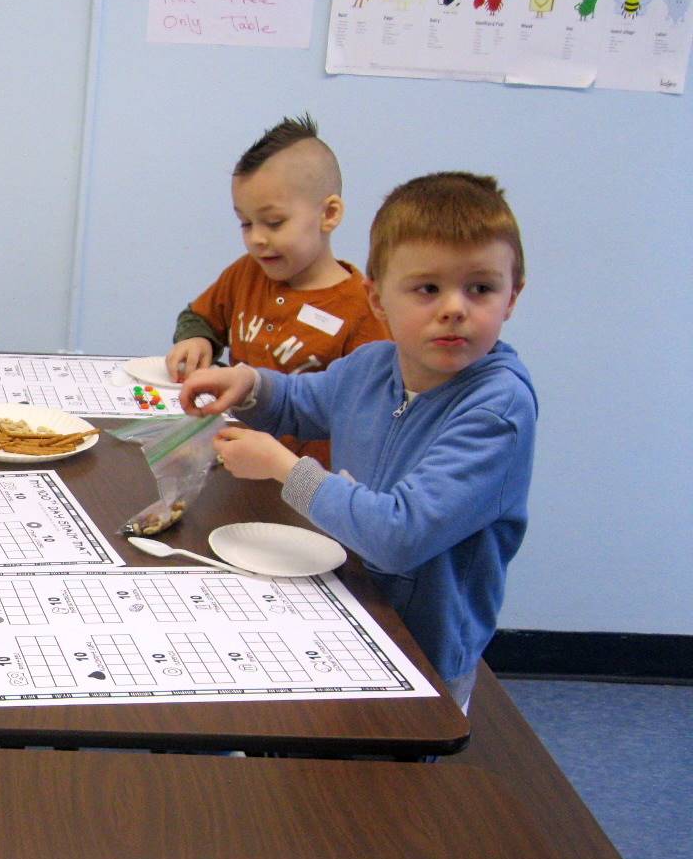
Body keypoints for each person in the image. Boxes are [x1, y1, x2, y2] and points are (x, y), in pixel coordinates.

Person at [179, 171, 536, 710]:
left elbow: (400, 535)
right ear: (376, 299)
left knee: (397, 786)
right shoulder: (374, 365)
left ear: (511, 298)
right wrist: (250, 383)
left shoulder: (497, 409)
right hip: (348, 606)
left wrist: (284, 468)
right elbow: (304, 400)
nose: (454, 308)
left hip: (426, 653)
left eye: (480, 288)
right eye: (427, 289)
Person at [163, 114, 387, 466]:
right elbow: (200, 317)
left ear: (328, 214)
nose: (257, 238)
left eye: (274, 222)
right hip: (232, 460)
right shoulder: (246, 273)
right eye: (246, 223)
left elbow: (371, 414)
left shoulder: (362, 308)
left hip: (303, 486)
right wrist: (198, 340)